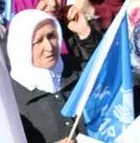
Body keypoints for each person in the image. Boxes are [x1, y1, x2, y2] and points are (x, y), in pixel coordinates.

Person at [8, 10, 84, 142]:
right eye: (38, 41)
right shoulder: (10, 95)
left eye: (51, 36)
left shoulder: (74, 68)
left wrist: (85, 33)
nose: (49, 47)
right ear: (21, 46)